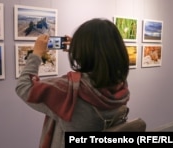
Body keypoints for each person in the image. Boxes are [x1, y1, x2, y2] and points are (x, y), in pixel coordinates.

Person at [15, 18, 130, 148]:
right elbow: (104, 60)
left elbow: (24, 87)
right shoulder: (120, 84)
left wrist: (36, 54)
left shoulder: (69, 91)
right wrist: (81, 49)